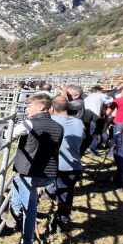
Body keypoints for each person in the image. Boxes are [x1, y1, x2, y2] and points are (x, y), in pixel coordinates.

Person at [2, 93, 63, 244]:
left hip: (29, 172)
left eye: (30, 105)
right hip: (49, 174)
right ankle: (13, 215)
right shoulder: (58, 127)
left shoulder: (30, 124)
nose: (27, 108)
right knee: (17, 184)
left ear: (41, 107)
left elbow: (9, 134)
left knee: (30, 209)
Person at [45, 96, 85, 233]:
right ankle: (61, 220)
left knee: (48, 185)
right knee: (67, 194)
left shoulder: (50, 121)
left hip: (53, 163)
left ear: (52, 108)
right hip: (73, 165)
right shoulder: (79, 122)